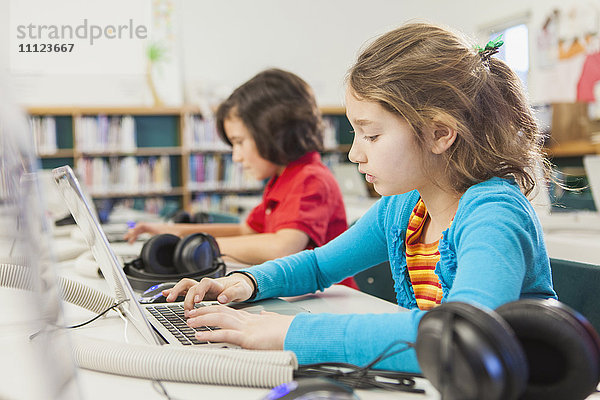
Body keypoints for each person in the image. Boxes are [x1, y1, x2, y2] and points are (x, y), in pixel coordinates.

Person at [162, 22, 556, 372]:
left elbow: (460, 335)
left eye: (372, 135)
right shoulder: (404, 208)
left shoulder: (493, 214)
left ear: (440, 133)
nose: (355, 153)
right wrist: (247, 282)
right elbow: (320, 265)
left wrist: (291, 333)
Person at [124, 69, 357, 288]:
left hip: (331, 301)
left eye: (239, 142)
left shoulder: (311, 178)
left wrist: (202, 247)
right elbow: (247, 232)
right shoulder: (282, 178)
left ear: (274, 132)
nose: (236, 156)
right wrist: (173, 233)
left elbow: (283, 246)